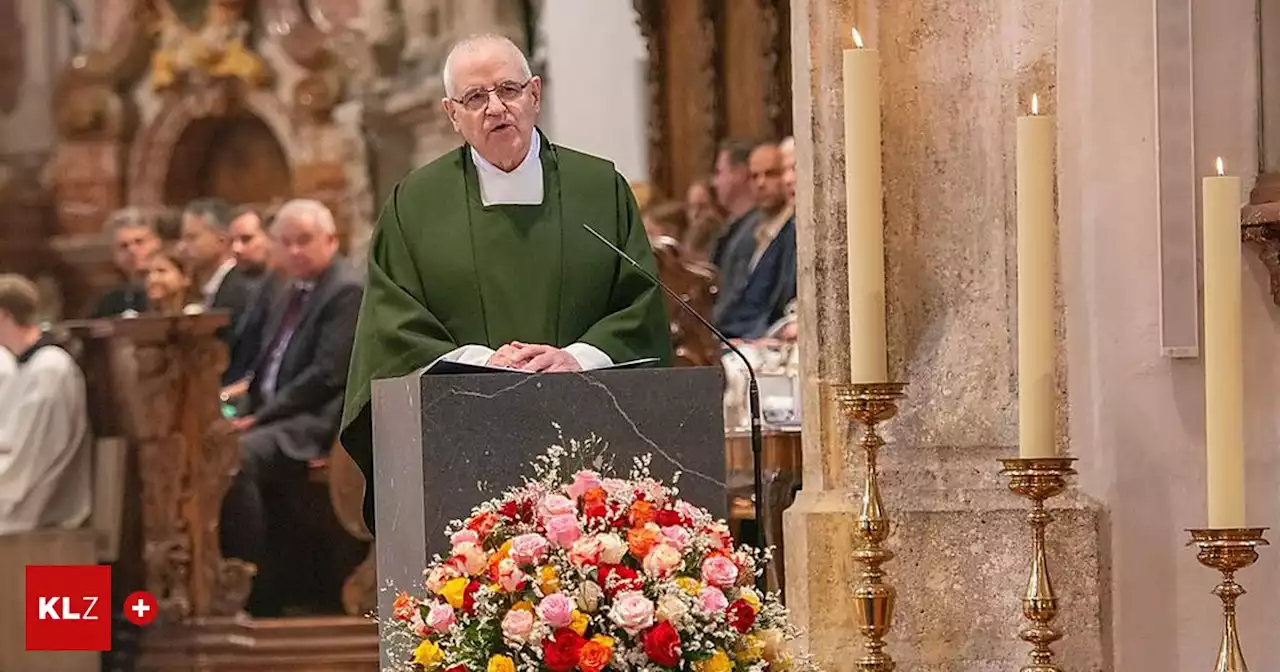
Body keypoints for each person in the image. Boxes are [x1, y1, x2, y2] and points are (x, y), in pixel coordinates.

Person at [341, 34, 672, 532]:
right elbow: (392, 324)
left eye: (509, 90)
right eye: (475, 98)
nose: (496, 108)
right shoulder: (414, 204)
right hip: (460, 435)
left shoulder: (599, 189)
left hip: (590, 435)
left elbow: (639, 303)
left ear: (535, 94)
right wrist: (483, 362)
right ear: (452, 114)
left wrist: (575, 357)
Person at [220, 198, 362, 615]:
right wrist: (242, 409)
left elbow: (326, 375)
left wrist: (257, 419)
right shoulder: (283, 288)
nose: (296, 251)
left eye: (306, 241)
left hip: (316, 421)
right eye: (287, 242)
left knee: (233, 457)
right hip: (274, 414)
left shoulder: (346, 289)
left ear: (331, 240)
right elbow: (266, 365)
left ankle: (260, 591)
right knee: (209, 447)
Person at [0, 274, 92, 534]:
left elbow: (29, 459)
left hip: (47, 515)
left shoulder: (49, 368)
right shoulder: (28, 366)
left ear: (4, 315)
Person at [223, 204, 282, 386]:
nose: (237, 249)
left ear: (272, 238)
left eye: (246, 239)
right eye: (232, 241)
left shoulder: (288, 289)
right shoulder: (231, 281)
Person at [88, 207, 163, 318]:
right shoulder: (109, 302)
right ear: (114, 254)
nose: (132, 251)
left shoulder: (176, 288)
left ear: (157, 243)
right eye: (124, 246)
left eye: (139, 242)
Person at [142, 246, 200, 314]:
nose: (152, 279)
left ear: (185, 277)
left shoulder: (200, 315)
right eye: (147, 273)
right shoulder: (140, 319)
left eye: (161, 271)